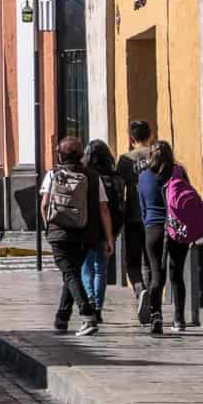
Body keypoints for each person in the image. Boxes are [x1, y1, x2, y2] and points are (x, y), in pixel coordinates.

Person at [39, 137, 112, 336]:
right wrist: (109, 238)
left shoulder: (52, 174)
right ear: (81, 155)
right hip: (86, 235)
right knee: (72, 273)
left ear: (60, 155)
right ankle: (61, 318)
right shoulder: (93, 176)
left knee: (70, 274)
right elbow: (103, 208)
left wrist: (49, 226)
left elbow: (44, 205)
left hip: (59, 233)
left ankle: (87, 315)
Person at [138, 140, 192, 335]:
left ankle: (156, 316)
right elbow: (187, 199)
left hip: (153, 229)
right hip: (177, 227)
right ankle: (179, 319)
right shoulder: (179, 172)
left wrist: (149, 224)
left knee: (156, 275)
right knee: (176, 275)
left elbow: (142, 207)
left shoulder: (143, 176)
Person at [81, 139, 125, 325]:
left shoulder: (88, 177)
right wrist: (110, 237)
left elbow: (102, 208)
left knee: (86, 267)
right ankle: (98, 307)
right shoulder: (116, 178)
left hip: (89, 228)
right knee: (101, 269)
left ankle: (90, 300)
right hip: (110, 228)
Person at [115, 120, 153, 311]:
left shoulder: (125, 159)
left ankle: (140, 290)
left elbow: (118, 187)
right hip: (154, 216)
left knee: (132, 261)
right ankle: (152, 300)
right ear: (150, 135)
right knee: (150, 261)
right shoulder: (157, 155)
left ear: (131, 139)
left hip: (132, 215)